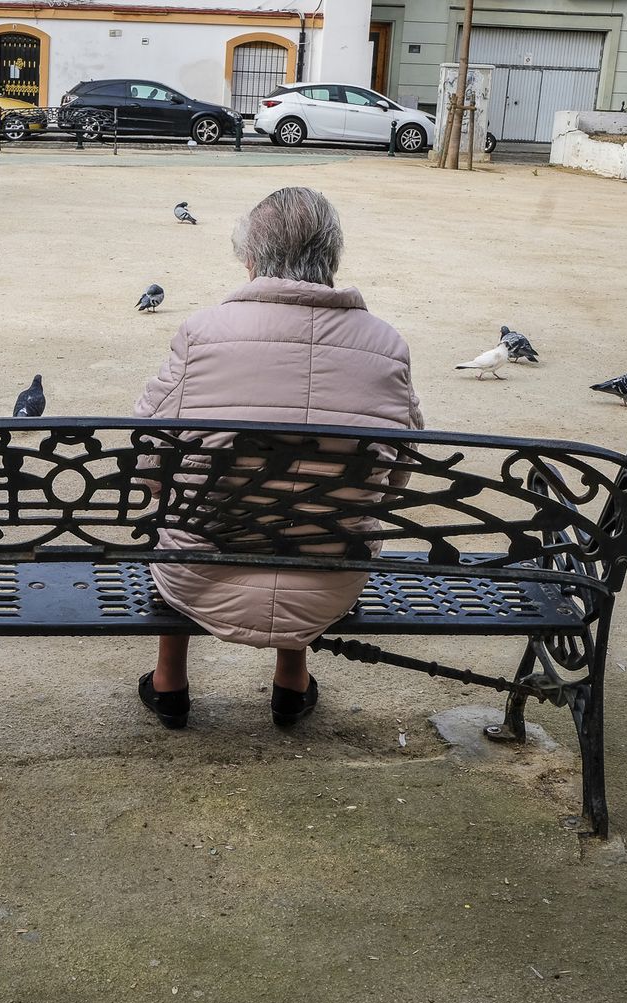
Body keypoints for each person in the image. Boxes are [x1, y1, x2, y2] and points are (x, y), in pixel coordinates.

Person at [133, 186, 424, 731]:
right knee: (316, 506)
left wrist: (177, 498)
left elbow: (149, 455)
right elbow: (398, 472)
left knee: (174, 512)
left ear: (251, 260)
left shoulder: (202, 335)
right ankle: (291, 681)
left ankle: (169, 681)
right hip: (329, 575)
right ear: (331, 260)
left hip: (203, 569)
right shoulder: (386, 346)